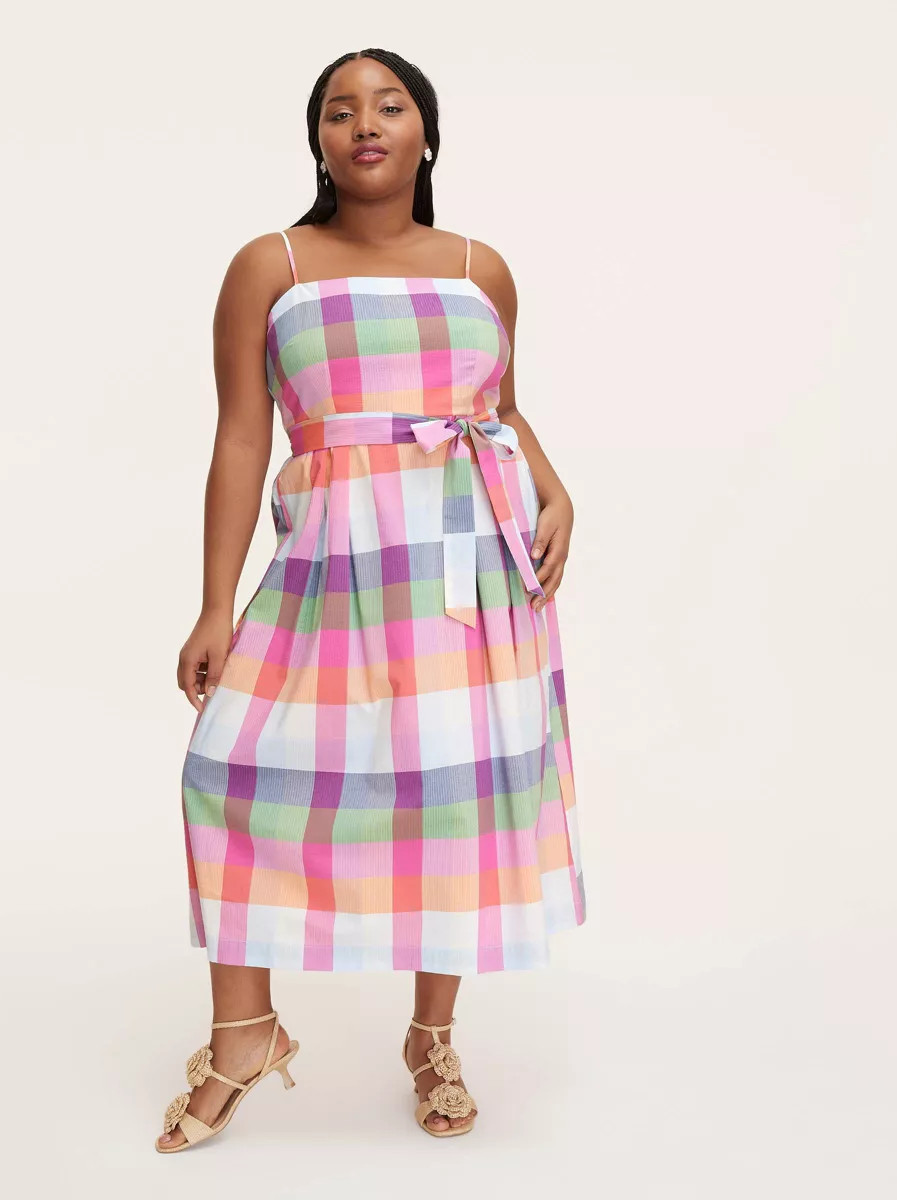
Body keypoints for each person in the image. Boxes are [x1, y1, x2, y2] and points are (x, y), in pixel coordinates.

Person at [158, 47, 585, 1153]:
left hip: (467, 562)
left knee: (451, 795)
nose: (365, 124)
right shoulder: (273, 265)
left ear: (425, 133)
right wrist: (215, 604)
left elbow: (500, 409)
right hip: (331, 560)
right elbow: (241, 436)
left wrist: (556, 491)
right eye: (340, 111)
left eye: (389, 106)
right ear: (318, 141)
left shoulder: (481, 268)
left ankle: (432, 1039)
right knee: (228, 767)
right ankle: (244, 1032)